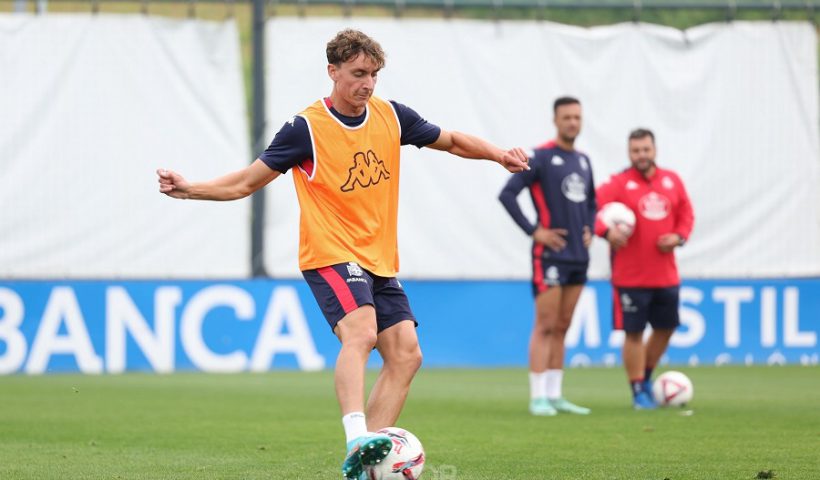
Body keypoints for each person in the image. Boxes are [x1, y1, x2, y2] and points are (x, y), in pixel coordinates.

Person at [157, 29, 529, 480]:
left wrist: (498, 155)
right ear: (332, 71)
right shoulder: (306, 129)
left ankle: (367, 462)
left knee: (406, 355)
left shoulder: (392, 116)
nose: (367, 84)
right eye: (357, 74)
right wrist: (190, 188)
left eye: (373, 74)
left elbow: (450, 140)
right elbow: (245, 183)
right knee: (362, 332)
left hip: (378, 259)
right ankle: (356, 438)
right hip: (330, 252)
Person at [498, 97, 596, 417]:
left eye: (577, 117)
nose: (572, 122)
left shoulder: (583, 161)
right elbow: (507, 194)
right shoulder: (540, 157)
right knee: (546, 324)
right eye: (567, 117)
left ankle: (555, 394)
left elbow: (591, 203)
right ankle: (538, 396)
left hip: (579, 257)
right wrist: (534, 230)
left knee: (563, 326)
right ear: (556, 120)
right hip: (550, 255)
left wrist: (590, 228)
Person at [594, 128, 694, 410]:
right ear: (629, 153)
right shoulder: (619, 184)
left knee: (666, 328)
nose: (641, 155)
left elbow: (686, 213)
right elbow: (590, 209)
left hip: (665, 273)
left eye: (645, 149)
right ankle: (638, 389)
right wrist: (606, 232)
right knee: (634, 333)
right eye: (636, 151)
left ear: (654, 150)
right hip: (630, 276)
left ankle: (646, 377)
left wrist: (679, 237)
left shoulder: (671, 180)